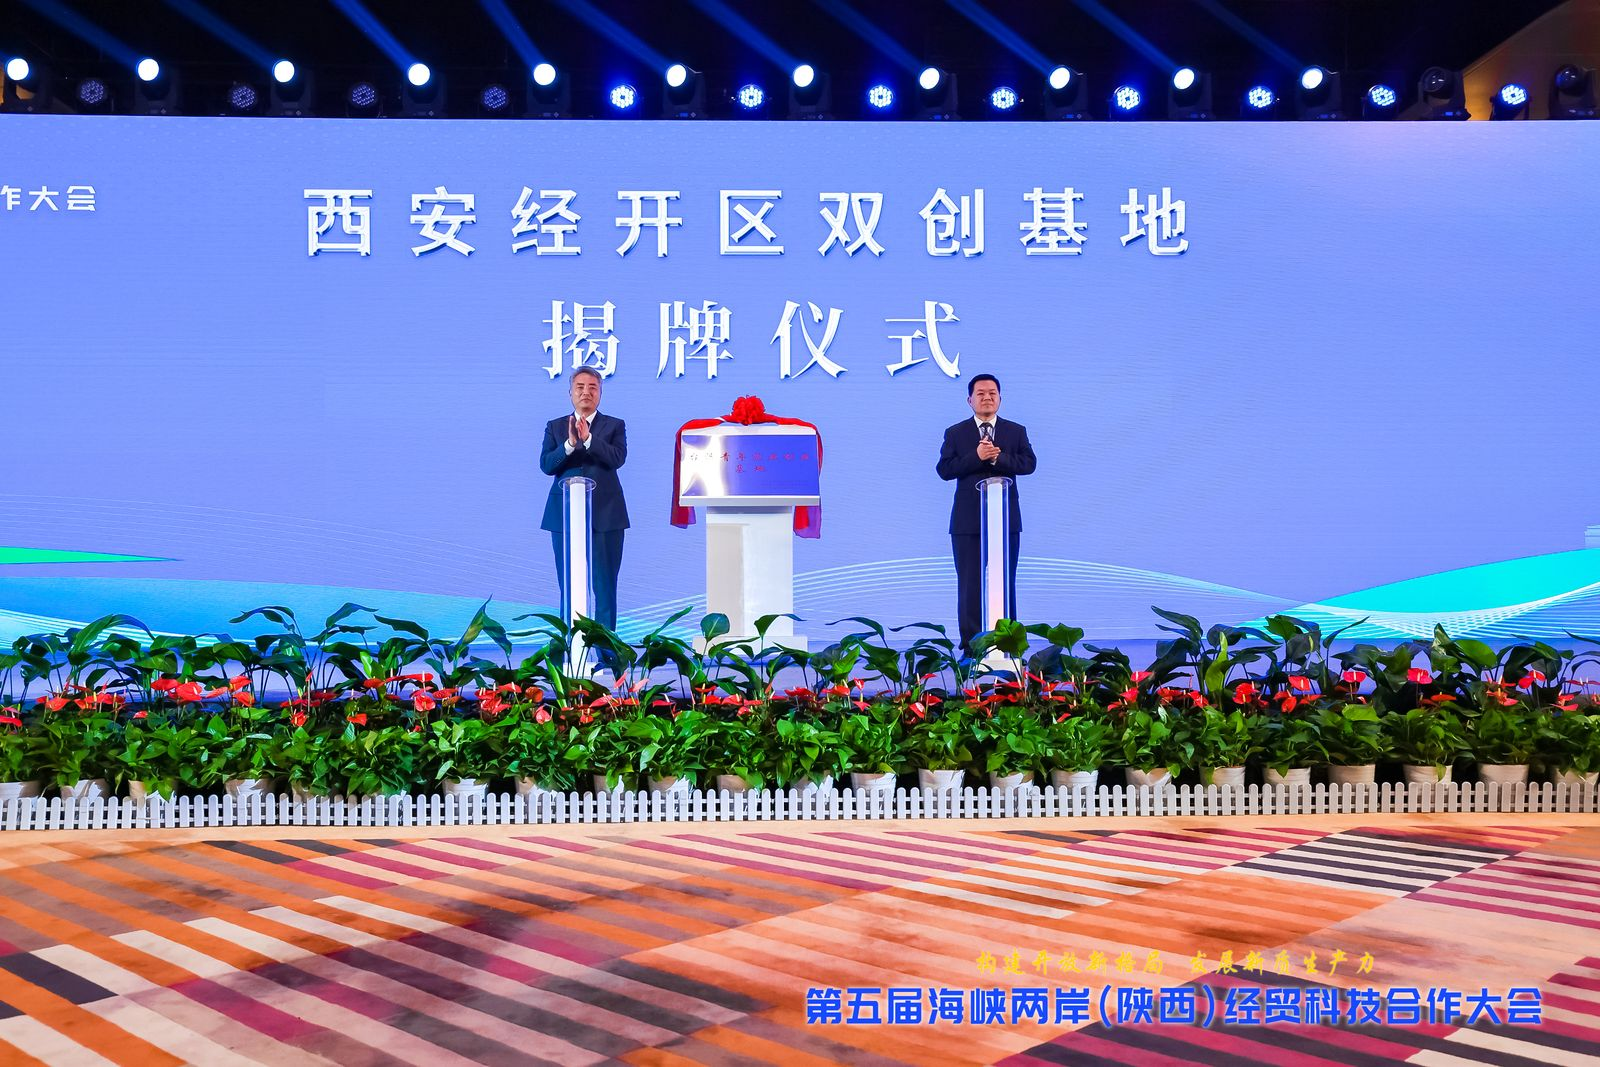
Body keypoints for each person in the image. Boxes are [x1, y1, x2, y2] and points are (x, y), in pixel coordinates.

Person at [936, 373, 1036, 656]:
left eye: (992, 393)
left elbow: (1029, 464)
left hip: (1006, 521)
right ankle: (971, 648)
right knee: (970, 586)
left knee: (1005, 582)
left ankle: (1009, 646)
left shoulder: (1016, 431)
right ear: (970, 400)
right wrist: (977, 457)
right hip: (967, 522)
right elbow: (944, 470)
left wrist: (997, 458)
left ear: (1000, 398)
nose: (987, 398)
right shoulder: (956, 433)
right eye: (980, 393)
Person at [540, 367, 628, 632]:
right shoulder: (556, 426)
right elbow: (546, 465)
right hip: (564, 515)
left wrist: (589, 439)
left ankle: (606, 648)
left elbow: (617, 458)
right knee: (568, 583)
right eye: (580, 387)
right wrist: (569, 445)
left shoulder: (614, 425)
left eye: (592, 387)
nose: (586, 392)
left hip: (606, 514)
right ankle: (570, 645)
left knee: (605, 585)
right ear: (570, 393)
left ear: (600, 393)